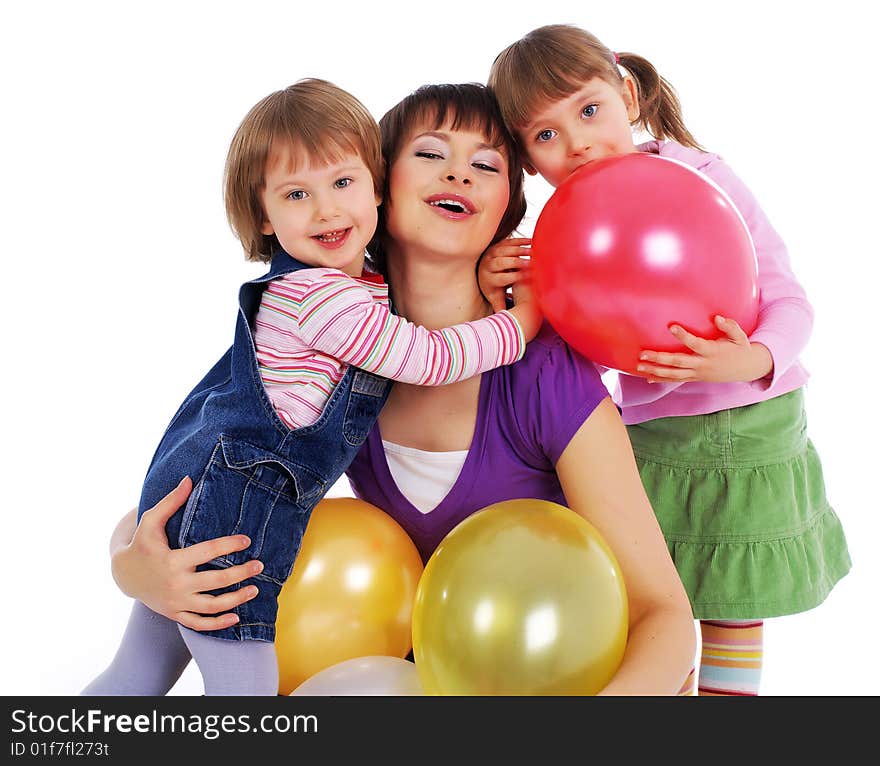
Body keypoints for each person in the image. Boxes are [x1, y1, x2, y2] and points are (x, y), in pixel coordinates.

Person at [104, 82, 697, 696]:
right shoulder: (329, 341)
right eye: (431, 153)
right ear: (379, 185)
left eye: (487, 164)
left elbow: (668, 617)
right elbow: (211, 470)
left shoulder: (544, 378)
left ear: (508, 208)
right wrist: (132, 567)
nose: (459, 174)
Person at [481, 24, 851, 696]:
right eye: (546, 135)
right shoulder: (564, 232)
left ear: (627, 94)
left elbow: (790, 297)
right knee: (658, 606)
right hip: (651, 442)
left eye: (589, 110)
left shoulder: (704, 176)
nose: (578, 142)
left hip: (752, 435)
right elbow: (574, 360)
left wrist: (751, 358)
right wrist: (509, 296)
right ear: (528, 160)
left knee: (734, 612)